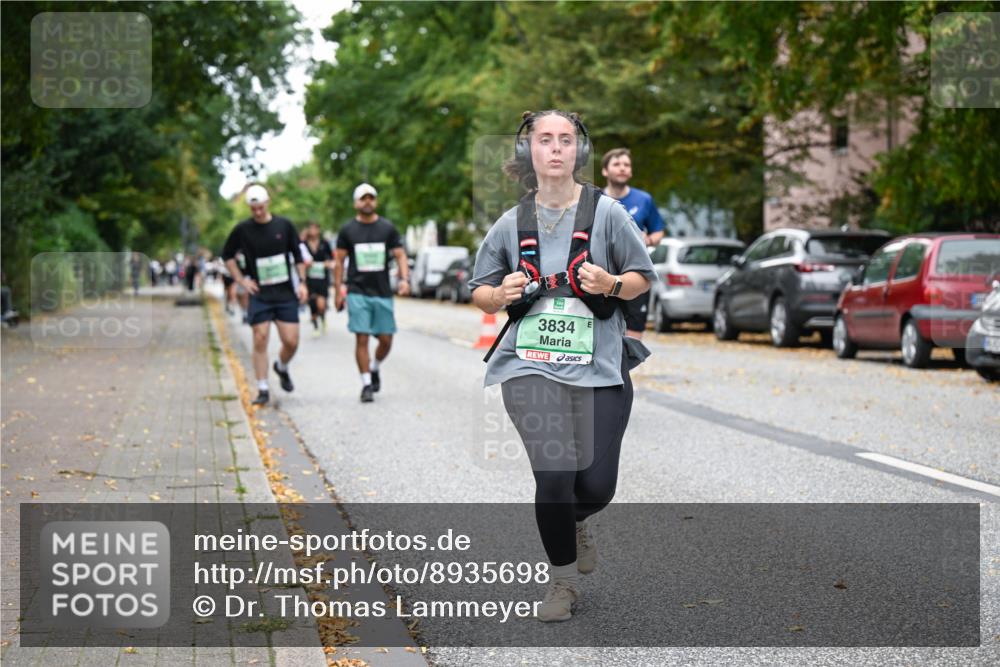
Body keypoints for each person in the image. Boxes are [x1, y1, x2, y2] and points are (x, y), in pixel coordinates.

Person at [469, 110, 655, 622]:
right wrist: (499, 292)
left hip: (600, 363)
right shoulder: (511, 223)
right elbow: (480, 292)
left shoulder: (610, 214)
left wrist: (611, 285)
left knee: (595, 487)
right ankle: (563, 582)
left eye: (565, 140)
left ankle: (572, 523)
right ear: (528, 150)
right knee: (554, 477)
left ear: (579, 151)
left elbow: (642, 275)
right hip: (529, 366)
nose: (554, 148)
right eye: (544, 140)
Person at [222, 184, 308, 406]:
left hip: (285, 292)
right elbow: (227, 256)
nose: (257, 212)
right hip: (260, 293)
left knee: (291, 341)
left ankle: (282, 366)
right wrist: (241, 280)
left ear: (267, 203)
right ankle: (262, 388)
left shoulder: (285, 225)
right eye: (253, 209)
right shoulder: (243, 230)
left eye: (260, 207)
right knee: (260, 337)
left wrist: (303, 284)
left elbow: (298, 256)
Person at [333, 183, 410, 403]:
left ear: (375, 201)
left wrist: (404, 279)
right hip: (357, 291)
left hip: (382, 292)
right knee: (362, 337)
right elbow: (339, 261)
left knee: (386, 340)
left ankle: (375, 367)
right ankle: (366, 383)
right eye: (363, 198)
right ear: (356, 203)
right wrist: (338, 291)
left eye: (371, 198)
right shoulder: (347, 230)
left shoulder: (387, 228)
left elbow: (400, 255)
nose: (367, 201)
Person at [601, 147, 665, 340]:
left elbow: (658, 230)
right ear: (605, 170)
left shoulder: (644, 199)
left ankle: (627, 369)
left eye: (626, 165)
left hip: (636, 272)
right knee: (601, 326)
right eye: (617, 164)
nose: (622, 168)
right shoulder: (595, 199)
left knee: (634, 331)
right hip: (603, 271)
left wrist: (650, 239)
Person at [303, 222, 334, 336]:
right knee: (312, 303)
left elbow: (331, 259)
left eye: (315, 228)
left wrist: (328, 263)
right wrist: (306, 265)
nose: (313, 231)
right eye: (311, 228)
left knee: (321, 304)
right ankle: (315, 326)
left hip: (322, 278)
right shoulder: (304, 245)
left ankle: (323, 317)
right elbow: (299, 260)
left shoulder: (324, 243)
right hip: (309, 278)